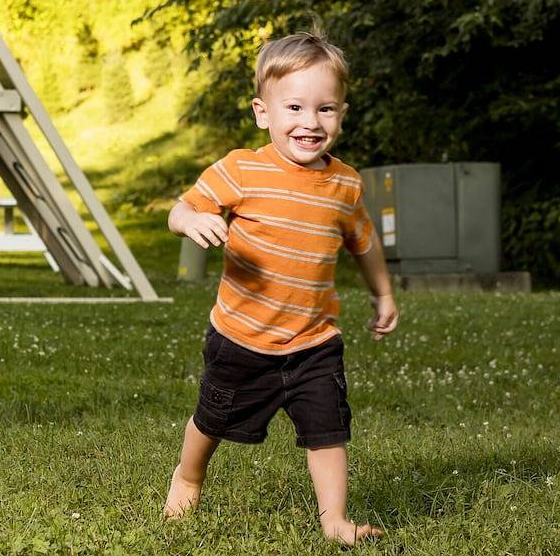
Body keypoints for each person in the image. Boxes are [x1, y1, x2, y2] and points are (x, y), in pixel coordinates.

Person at [164, 32, 399, 546]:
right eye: (294, 106)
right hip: (241, 337)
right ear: (262, 112)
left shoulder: (345, 184)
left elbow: (364, 243)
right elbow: (180, 208)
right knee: (212, 418)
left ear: (342, 113)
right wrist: (191, 223)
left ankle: (334, 519)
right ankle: (188, 476)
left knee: (328, 428)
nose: (310, 122)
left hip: (314, 340)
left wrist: (383, 293)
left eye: (325, 109)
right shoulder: (242, 169)